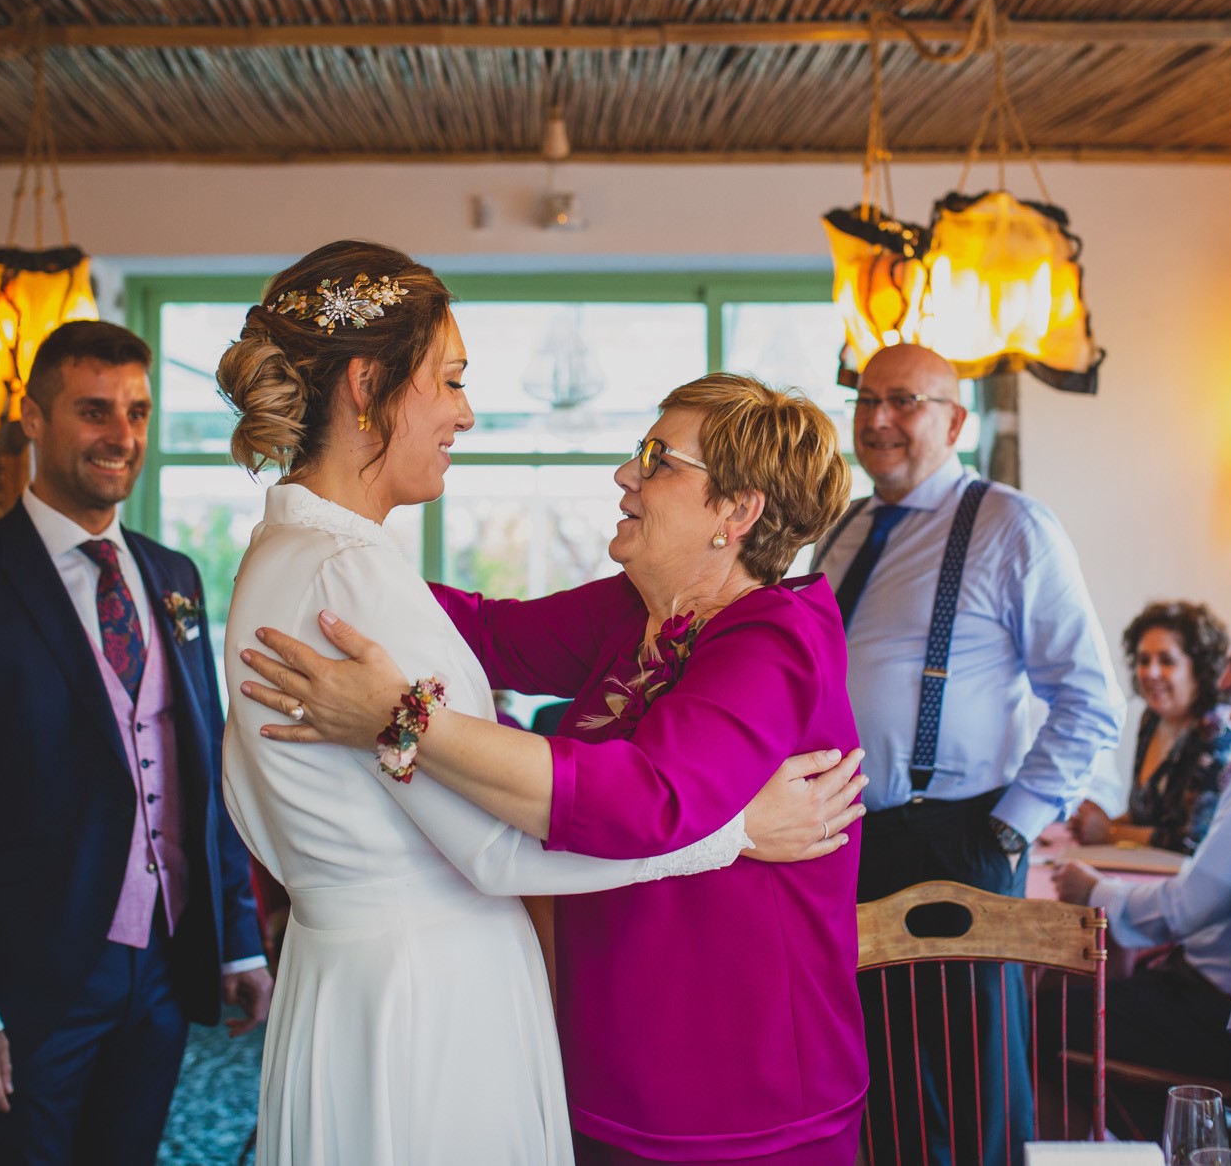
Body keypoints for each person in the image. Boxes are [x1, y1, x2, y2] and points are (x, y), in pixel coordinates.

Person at [217, 243, 864, 1165]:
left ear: (738, 511)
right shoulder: (628, 609)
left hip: (733, 1076)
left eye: (657, 459)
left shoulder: (774, 640)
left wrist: (397, 712)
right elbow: (478, 628)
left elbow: (649, 796)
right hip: (605, 1052)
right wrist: (315, 539)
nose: (624, 474)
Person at [0, 320, 272, 1164]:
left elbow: (204, 770)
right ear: (33, 416)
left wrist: (238, 934)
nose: (122, 434)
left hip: (162, 968)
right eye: (94, 410)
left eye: (138, 411)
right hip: (22, 980)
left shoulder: (173, 576)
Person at [809, 342, 1125, 1165]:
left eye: (903, 401)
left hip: (956, 838)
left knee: (966, 1075)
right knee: (872, 1069)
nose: (878, 418)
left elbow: (1090, 697)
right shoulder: (843, 528)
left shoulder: (1012, 524)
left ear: (954, 422)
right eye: (866, 399)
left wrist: (1010, 827)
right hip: (845, 836)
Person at [1054, 619, 1231, 1126]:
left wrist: (1096, 890)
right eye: (1144, 660)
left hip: (1214, 1011)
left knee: (1031, 1016)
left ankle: (1140, 1139)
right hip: (1206, 988)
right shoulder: (1158, 726)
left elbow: (1188, 901)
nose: (1225, 681)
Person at [1070, 601, 1231, 853]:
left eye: (1166, 661)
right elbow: (1146, 817)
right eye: (1144, 660)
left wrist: (1109, 832)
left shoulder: (1218, 731)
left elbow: (1194, 839)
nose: (1150, 673)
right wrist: (1093, 821)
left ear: (1199, 668)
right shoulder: (1151, 719)